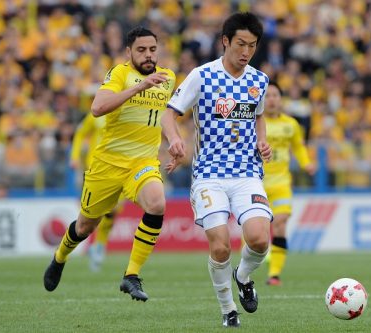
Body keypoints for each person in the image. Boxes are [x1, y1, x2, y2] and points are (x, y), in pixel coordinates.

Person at [43, 26, 176, 302]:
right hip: (107, 165)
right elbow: (97, 107)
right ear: (129, 52)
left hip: (142, 162)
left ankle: (131, 276)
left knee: (157, 202)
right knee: (84, 227)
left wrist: (174, 140)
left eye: (152, 49)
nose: (148, 55)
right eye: (141, 50)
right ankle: (60, 256)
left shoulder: (168, 78)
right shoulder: (119, 73)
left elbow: (164, 114)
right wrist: (139, 86)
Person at [161, 12, 272, 328]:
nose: (245, 52)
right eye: (240, 44)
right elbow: (171, 114)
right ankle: (228, 311)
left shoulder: (259, 81)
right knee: (221, 244)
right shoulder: (202, 76)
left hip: (247, 173)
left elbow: (259, 114)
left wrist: (262, 141)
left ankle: (244, 275)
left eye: (251, 45)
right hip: (209, 175)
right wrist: (175, 139)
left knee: (260, 239)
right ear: (225, 41)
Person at [262, 82, 315, 286]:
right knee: (255, 227)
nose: (272, 99)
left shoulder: (290, 124)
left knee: (280, 223)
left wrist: (306, 163)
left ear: (281, 99)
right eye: (268, 96)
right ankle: (254, 262)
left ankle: (274, 274)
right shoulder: (256, 123)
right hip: (257, 182)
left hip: (282, 183)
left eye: (275, 95)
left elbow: (299, 148)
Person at [69, 112, 125, 272]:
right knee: (93, 214)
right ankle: (71, 250)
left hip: (120, 168)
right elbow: (80, 133)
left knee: (114, 210)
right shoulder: (97, 113)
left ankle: (99, 245)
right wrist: (74, 156)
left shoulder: (128, 111)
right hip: (96, 168)